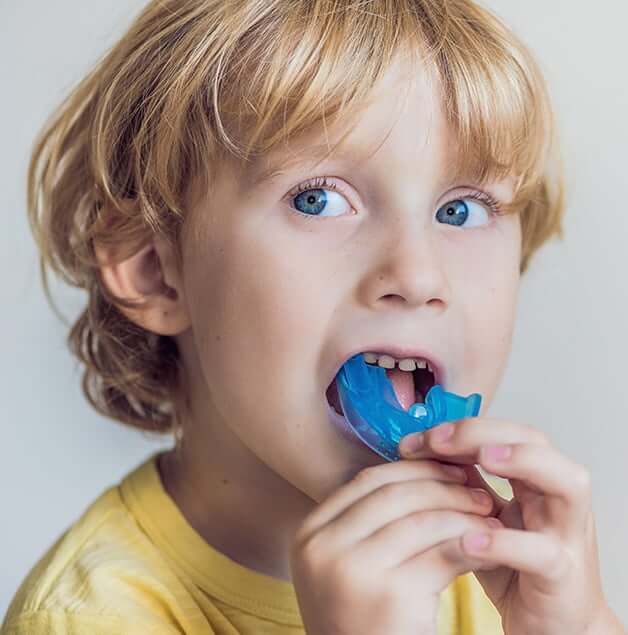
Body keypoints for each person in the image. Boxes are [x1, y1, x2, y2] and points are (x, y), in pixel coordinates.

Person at [2, 0, 624, 633]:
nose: (417, 276)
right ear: (156, 269)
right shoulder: (88, 619)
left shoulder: (491, 566)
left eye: (461, 210)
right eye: (319, 199)